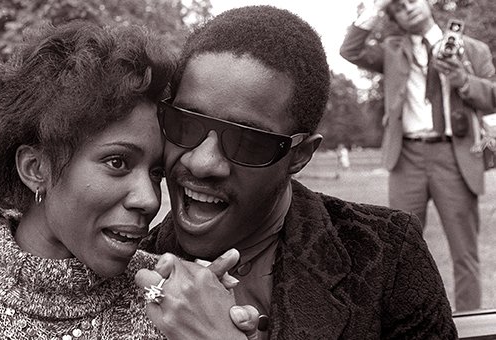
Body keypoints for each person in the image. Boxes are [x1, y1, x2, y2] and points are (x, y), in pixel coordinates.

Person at [0, 21, 255, 339]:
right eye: (118, 162)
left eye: (156, 172)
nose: (150, 200)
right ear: (36, 168)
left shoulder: (181, 310)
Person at [136, 5, 458, 339]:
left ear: (299, 156)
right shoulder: (125, 265)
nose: (202, 162)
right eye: (186, 123)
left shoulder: (387, 257)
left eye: (247, 141)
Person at [340, 0, 496, 311]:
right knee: (399, 248)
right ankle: (409, 324)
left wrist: (463, 81)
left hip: (454, 155)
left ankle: (472, 322)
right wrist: (377, 6)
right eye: (397, 7)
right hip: (407, 157)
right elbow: (351, 50)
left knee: (465, 254)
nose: (408, 8)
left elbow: (493, 97)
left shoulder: (473, 49)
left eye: (412, 0)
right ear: (394, 17)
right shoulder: (392, 48)